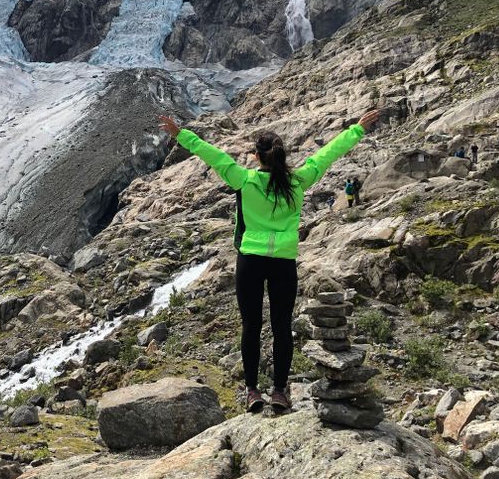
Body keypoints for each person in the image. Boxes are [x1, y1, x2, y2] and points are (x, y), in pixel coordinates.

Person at [159, 109, 381, 414]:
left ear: (255, 156)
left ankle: (252, 391)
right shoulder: (297, 181)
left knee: (251, 326)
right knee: (281, 326)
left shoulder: (244, 180)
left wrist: (180, 134)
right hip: (283, 262)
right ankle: (279, 392)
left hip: (250, 259)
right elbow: (326, 155)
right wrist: (356, 130)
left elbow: (211, 154)